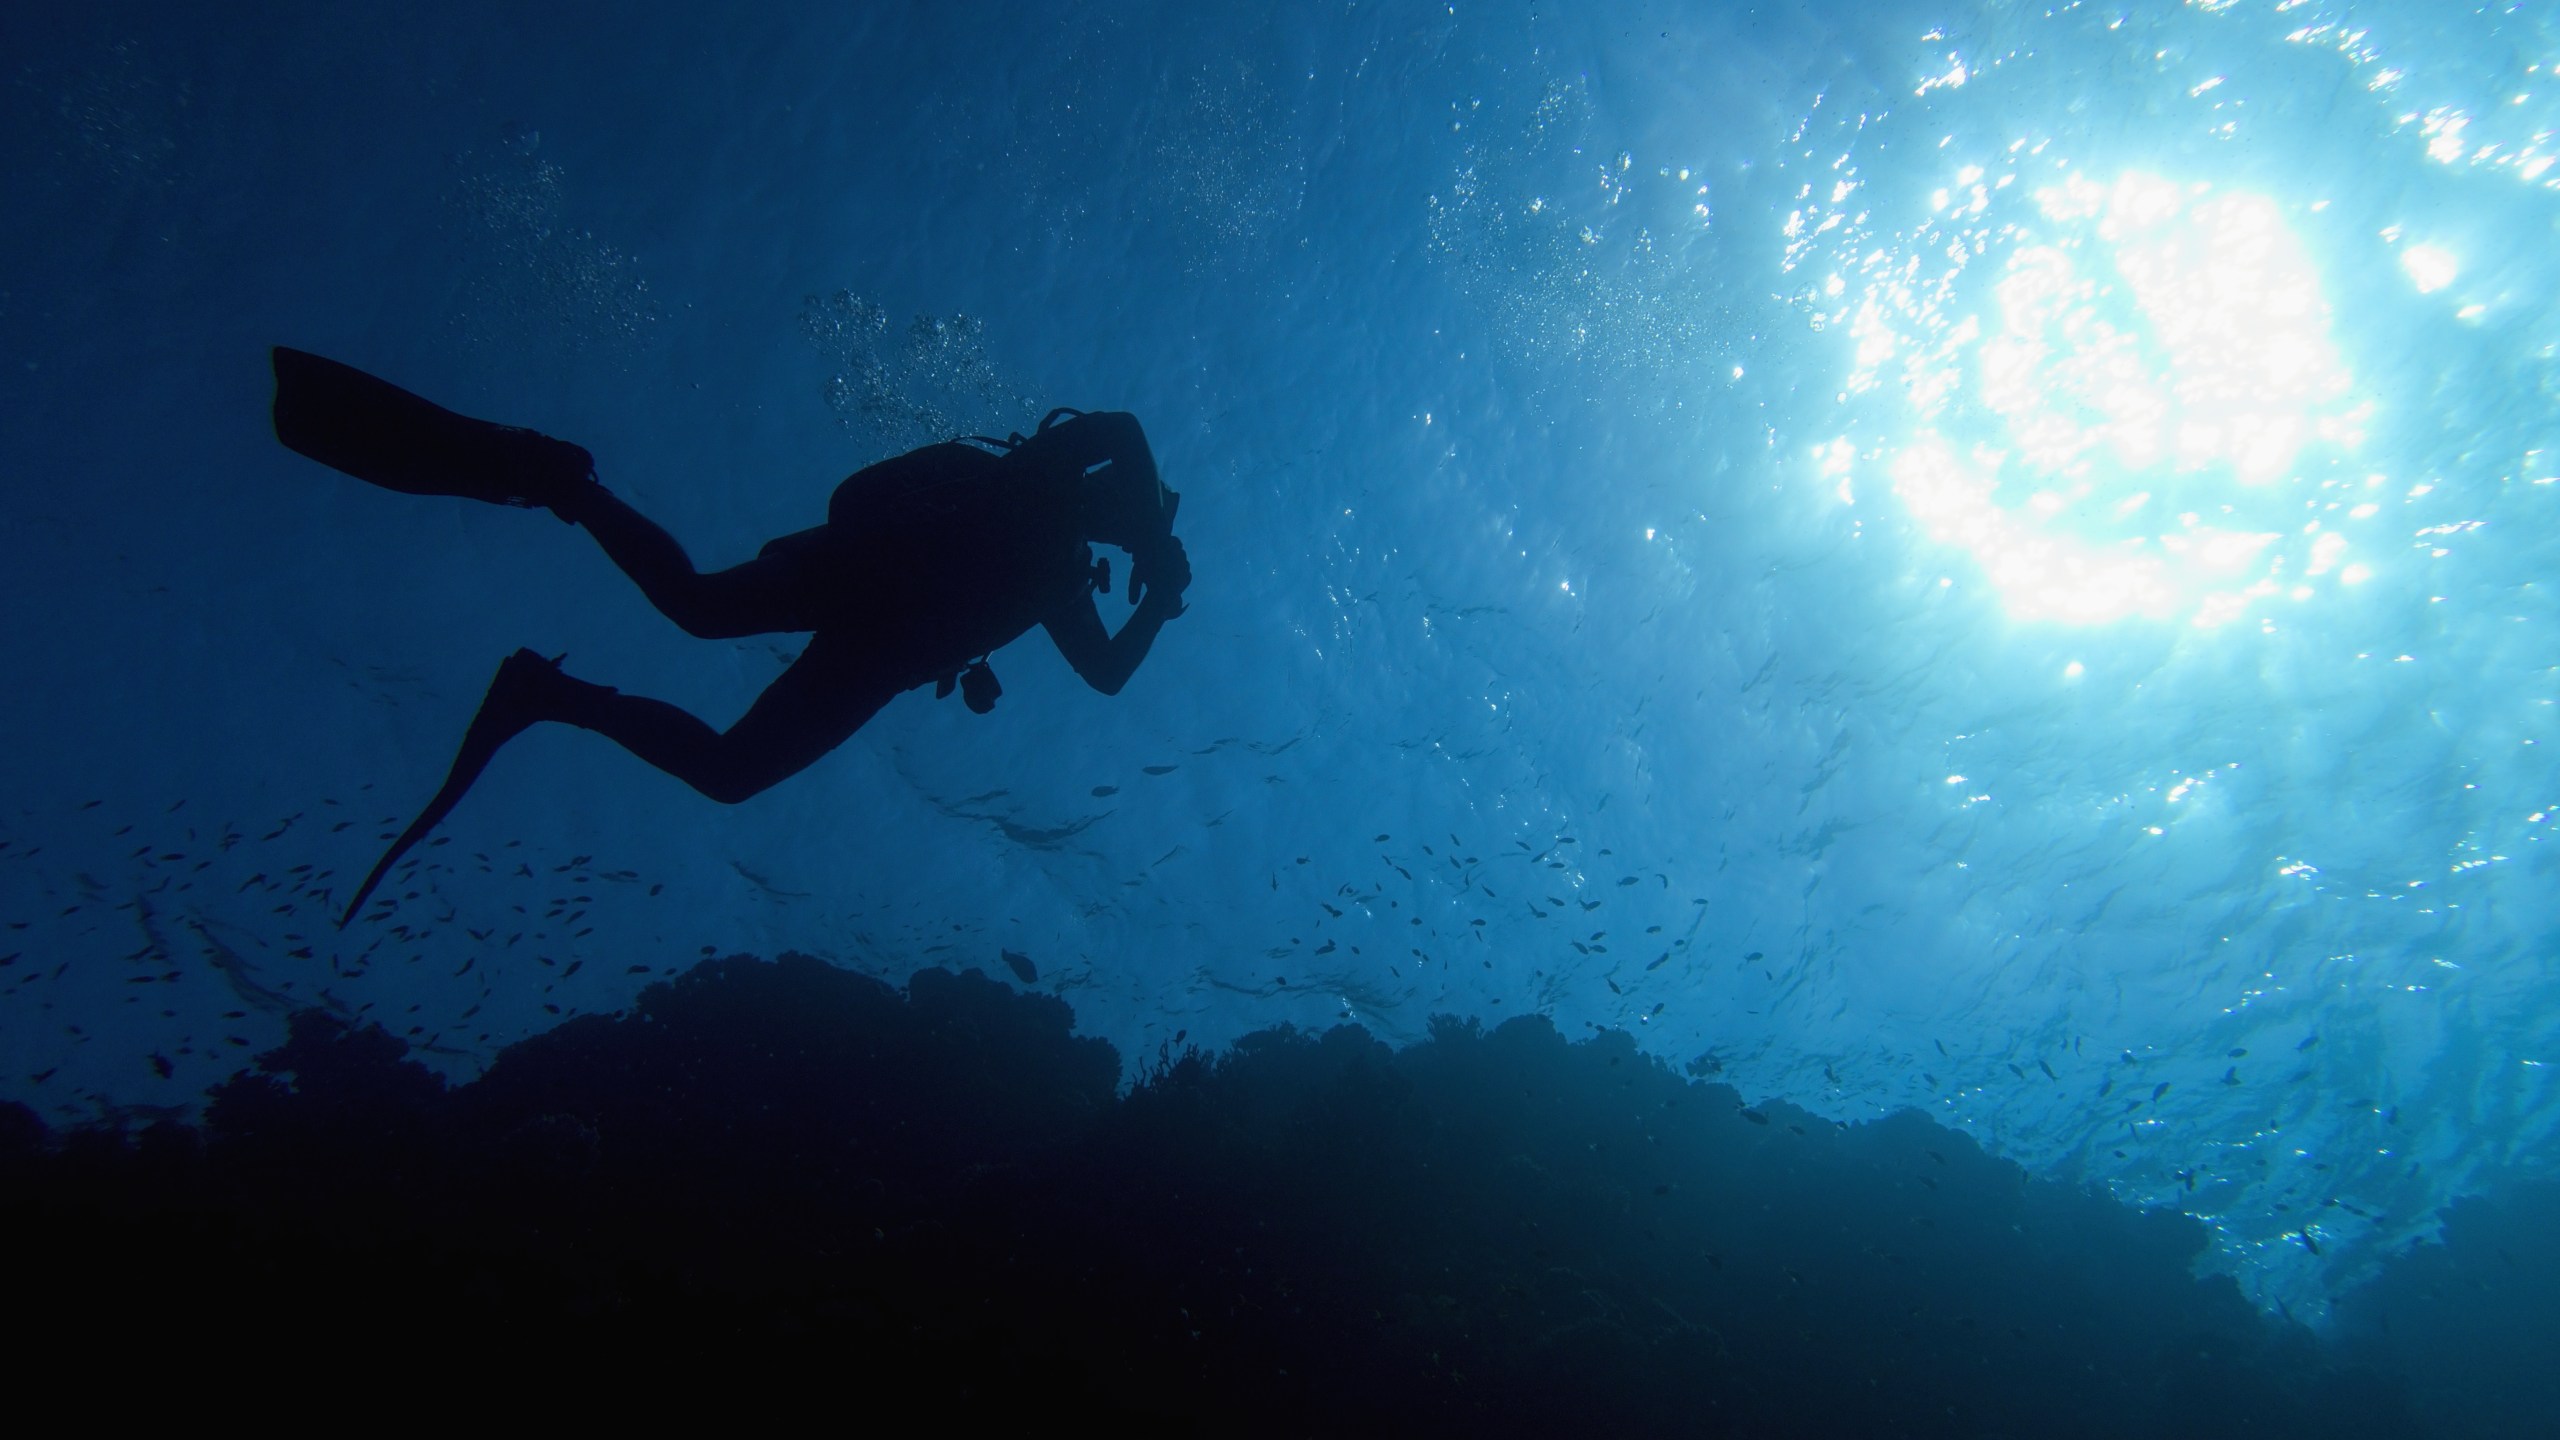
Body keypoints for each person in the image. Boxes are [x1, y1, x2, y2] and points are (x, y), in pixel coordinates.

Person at [268, 347, 1192, 925]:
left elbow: (1106, 674)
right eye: (1139, 508)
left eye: (1143, 519)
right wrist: (1155, 534)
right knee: (698, 607)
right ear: (1124, 493)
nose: (1132, 524)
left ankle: (545, 694)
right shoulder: (1039, 476)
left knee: (730, 773)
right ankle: (561, 481)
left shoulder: (1066, 578)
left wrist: (1153, 600)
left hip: (882, 657)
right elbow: (1120, 424)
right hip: (859, 572)